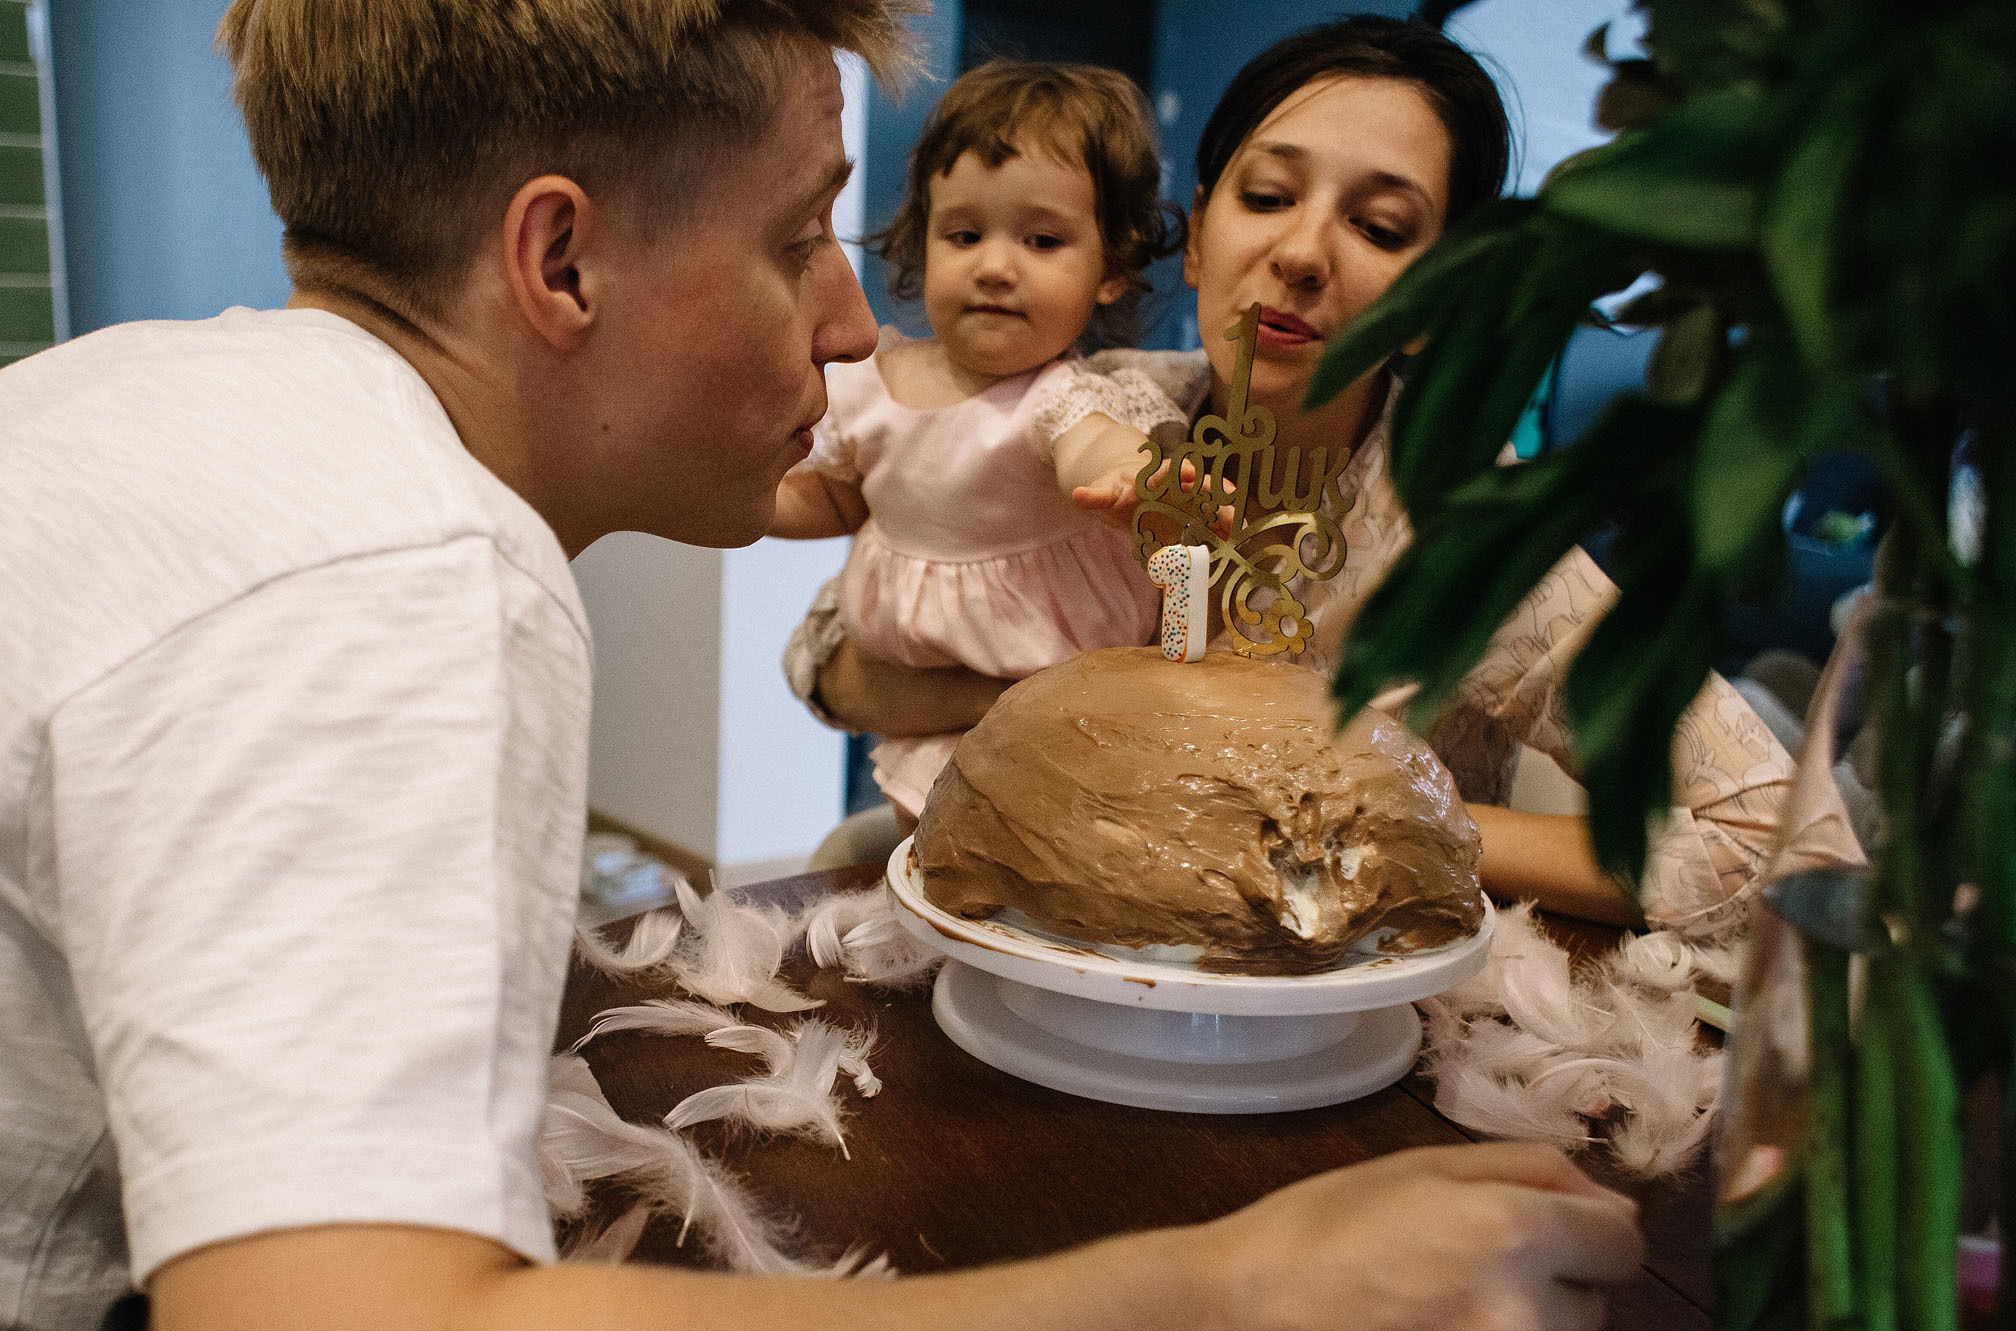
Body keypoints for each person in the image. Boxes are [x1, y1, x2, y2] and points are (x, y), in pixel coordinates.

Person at [0, 5, 1643, 1331]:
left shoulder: (145, 398)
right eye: (794, 246)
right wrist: (1247, 1321)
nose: (860, 326)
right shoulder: (386, 557)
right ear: (560, 258)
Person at [791, 15, 1852, 939]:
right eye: (1267, 196)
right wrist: (1070, 708)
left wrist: (1391, 813)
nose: (1302, 252)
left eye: (1380, 227)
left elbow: (1776, 838)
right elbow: (831, 654)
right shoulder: (1086, 409)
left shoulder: (1463, 537)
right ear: (1199, 238)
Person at [765, 60, 1181, 822]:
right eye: (964, 233)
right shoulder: (870, 383)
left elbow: (1090, 447)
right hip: (923, 684)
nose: (994, 266)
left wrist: (1132, 480)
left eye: (1043, 240)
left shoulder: (1061, 394)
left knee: (1046, 854)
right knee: (918, 842)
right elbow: (830, 497)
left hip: (1059, 705)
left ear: (1112, 269)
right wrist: (742, 496)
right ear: (924, 243)